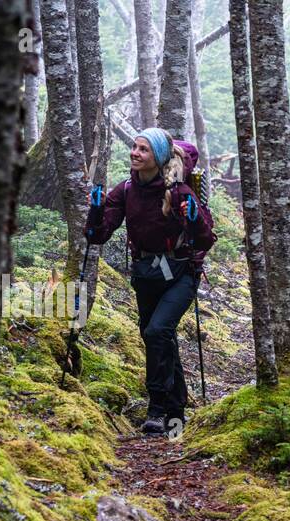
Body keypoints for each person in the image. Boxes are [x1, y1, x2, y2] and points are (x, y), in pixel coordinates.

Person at [84, 128, 216, 435]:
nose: (134, 153)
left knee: (157, 331)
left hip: (181, 274)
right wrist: (95, 209)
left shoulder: (180, 192)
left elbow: (205, 239)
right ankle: (176, 413)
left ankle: (157, 409)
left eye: (143, 149)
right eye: (134, 146)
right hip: (146, 274)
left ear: (157, 158)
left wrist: (194, 218)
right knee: (158, 336)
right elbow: (97, 235)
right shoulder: (127, 189)